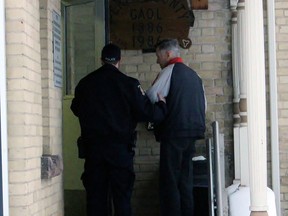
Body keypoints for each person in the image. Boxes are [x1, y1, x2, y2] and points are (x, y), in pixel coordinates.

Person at [70, 43, 167, 216]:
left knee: (96, 199)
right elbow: (149, 113)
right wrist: (161, 105)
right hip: (120, 151)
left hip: (93, 151)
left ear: (101, 60)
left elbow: (75, 109)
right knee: (122, 198)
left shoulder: (85, 84)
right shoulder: (129, 84)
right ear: (119, 61)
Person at [146, 39, 206, 216]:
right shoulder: (195, 76)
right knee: (186, 179)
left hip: (173, 132)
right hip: (193, 132)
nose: (157, 61)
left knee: (169, 180)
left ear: (168, 54)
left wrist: (162, 103)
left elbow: (151, 96)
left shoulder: (169, 71)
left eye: (158, 56)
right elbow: (204, 105)